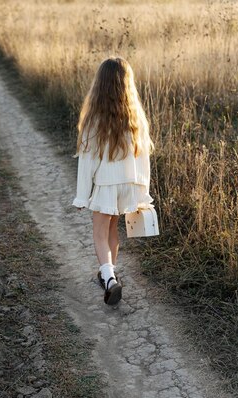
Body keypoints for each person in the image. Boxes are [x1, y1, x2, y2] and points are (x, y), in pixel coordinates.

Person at [72, 57, 154, 306]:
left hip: (106, 185)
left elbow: (87, 162)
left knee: (99, 232)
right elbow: (143, 158)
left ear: (101, 84)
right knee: (112, 231)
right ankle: (110, 272)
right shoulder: (136, 118)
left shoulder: (94, 120)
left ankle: (108, 279)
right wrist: (143, 193)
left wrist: (82, 196)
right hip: (129, 184)